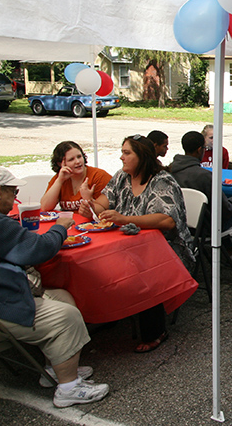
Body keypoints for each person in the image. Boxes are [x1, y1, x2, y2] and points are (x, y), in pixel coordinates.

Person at [0, 167, 110, 407]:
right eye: (13, 191)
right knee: (66, 316)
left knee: (61, 296)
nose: (15, 198)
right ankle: (68, 388)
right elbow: (37, 250)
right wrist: (60, 227)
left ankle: (55, 367)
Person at [79, 135, 193, 353]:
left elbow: (166, 220)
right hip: (127, 245)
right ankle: (107, 314)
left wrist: (125, 219)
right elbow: (103, 205)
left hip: (166, 250)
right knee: (94, 262)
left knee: (143, 270)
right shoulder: (121, 177)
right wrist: (90, 205)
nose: (121, 157)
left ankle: (155, 331)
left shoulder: (162, 181)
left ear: (142, 156)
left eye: (127, 152)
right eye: (122, 152)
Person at [171, 131, 232, 266]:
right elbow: (225, 209)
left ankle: (230, 251)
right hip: (207, 226)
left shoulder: (171, 170)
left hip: (182, 224)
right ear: (200, 150)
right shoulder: (204, 176)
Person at [41, 141, 112, 212]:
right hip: (69, 221)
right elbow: (44, 207)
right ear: (60, 164)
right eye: (71, 159)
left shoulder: (99, 176)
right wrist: (59, 181)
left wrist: (88, 199)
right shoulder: (60, 178)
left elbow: (109, 208)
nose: (78, 161)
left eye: (79, 156)